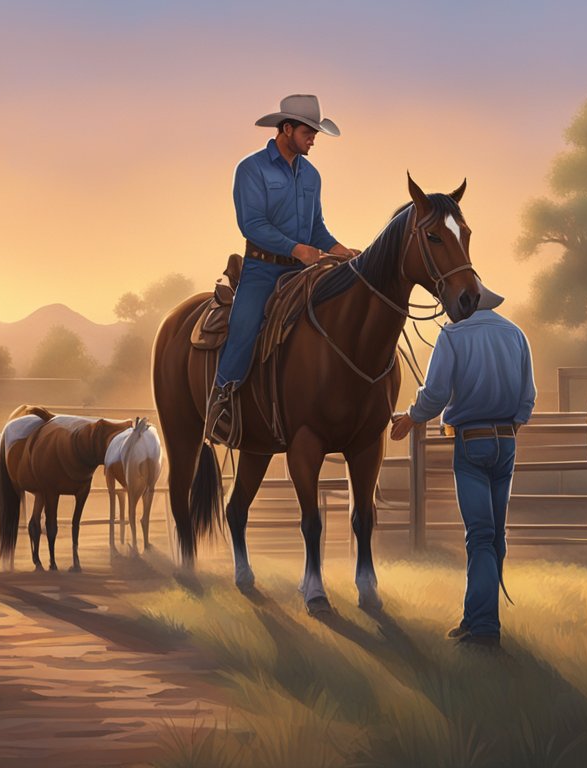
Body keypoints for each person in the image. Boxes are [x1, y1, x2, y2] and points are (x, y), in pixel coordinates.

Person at [205, 94, 358, 445]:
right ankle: (222, 399)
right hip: (263, 269)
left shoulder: (312, 176)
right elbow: (252, 224)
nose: (313, 138)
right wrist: (295, 248)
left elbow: (316, 225)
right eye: (308, 131)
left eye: (316, 132)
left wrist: (337, 249)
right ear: (286, 129)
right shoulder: (251, 169)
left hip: (305, 270)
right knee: (244, 326)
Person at [390, 295, 536, 648]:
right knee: (495, 533)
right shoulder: (516, 334)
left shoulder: (453, 335)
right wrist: (511, 427)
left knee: (480, 534)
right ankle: (475, 616)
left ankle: (484, 626)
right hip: (506, 440)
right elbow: (527, 396)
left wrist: (411, 417)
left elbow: (436, 393)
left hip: (471, 441)